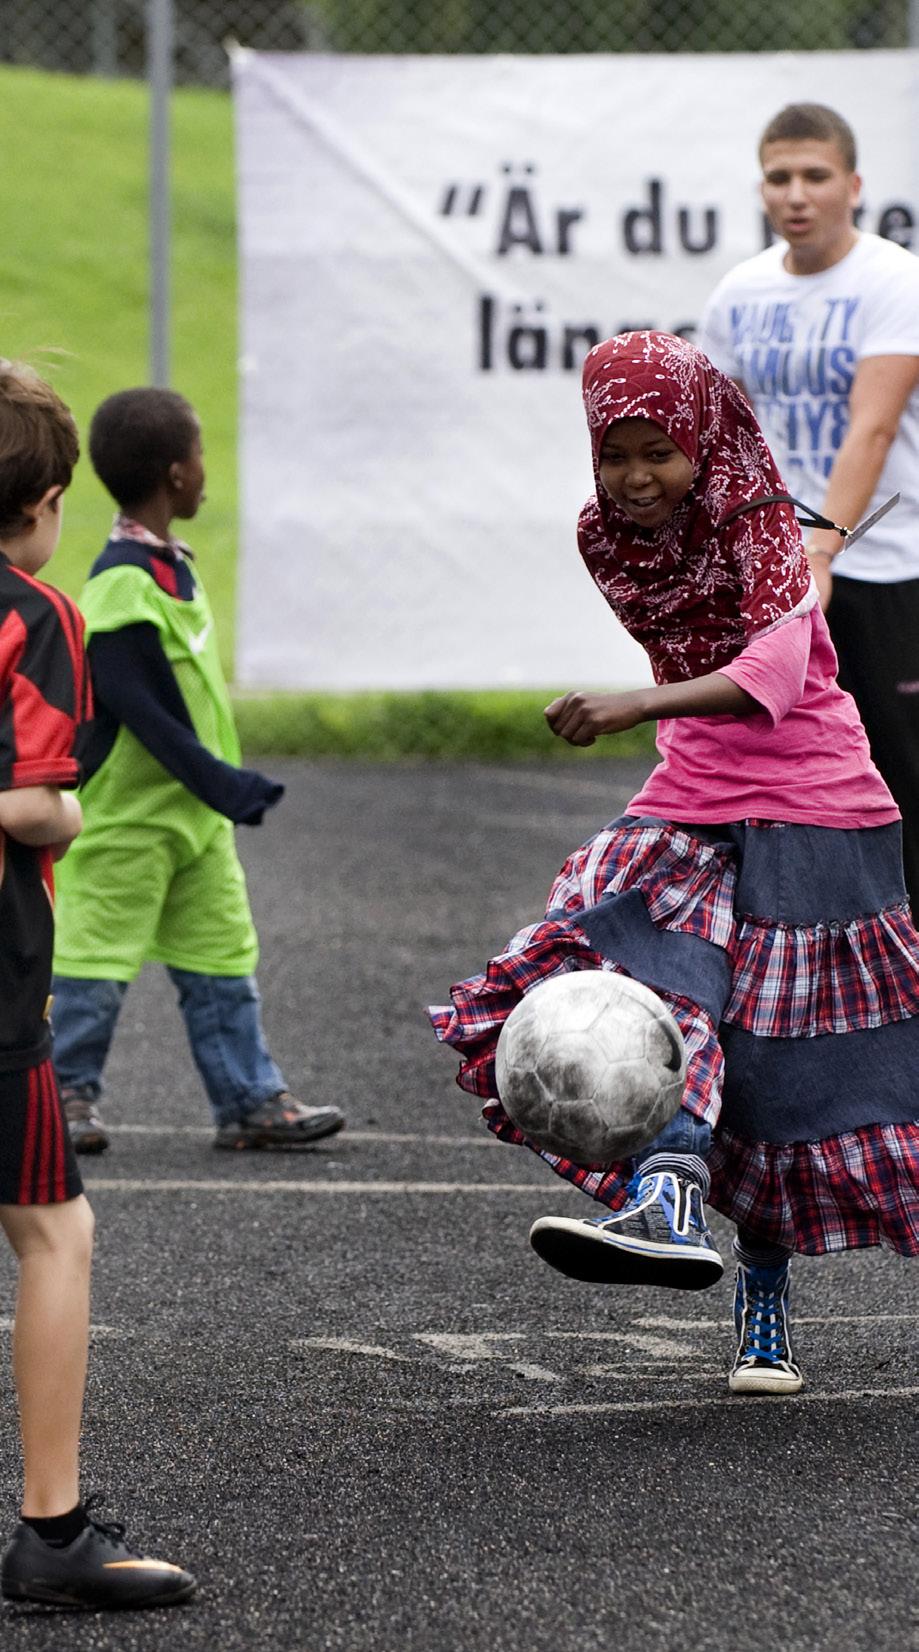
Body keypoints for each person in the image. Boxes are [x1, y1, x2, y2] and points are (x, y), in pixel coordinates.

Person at [430, 330, 919, 1396]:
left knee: (779, 1081)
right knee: (642, 967)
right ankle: (665, 1189)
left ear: (701, 436)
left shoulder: (761, 519)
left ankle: (763, 1296)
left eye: (660, 451)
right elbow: (699, 638)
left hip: (817, 803)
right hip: (695, 795)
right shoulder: (604, 535)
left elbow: (777, 669)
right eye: (615, 453)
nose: (636, 476)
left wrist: (638, 700)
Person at [0, 361, 195, 1608]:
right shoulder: (35, 613)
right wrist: (65, 807)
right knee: (53, 1228)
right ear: (50, 498)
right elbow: (29, 802)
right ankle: (53, 1532)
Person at [50, 388, 345, 1154]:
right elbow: (139, 709)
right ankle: (62, 1098)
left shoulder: (171, 569)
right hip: (129, 822)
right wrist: (224, 781)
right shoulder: (119, 583)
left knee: (220, 957)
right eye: (202, 454)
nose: (207, 469)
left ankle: (248, 1100)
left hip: (193, 823)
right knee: (93, 963)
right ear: (178, 473)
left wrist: (213, 794)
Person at [698, 101, 919, 912]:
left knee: (894, 770)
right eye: (779, 177)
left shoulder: (892, 279)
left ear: (852, 185)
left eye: (814, 176)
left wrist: (819, 554)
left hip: (886, 571)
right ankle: (790, 953)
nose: (796, 194)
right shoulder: (739, 292)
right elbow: (716, 432)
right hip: (772, 577)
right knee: (769, 770)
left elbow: (872, 426)